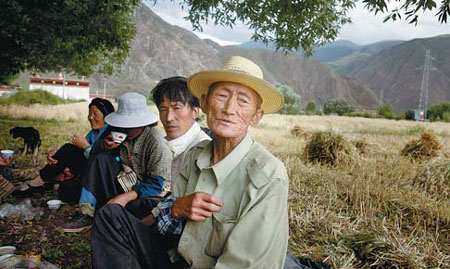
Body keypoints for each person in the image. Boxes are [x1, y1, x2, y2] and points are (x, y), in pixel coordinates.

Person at [92, 56, 289, 268]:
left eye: (243, 101)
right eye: (222, 96)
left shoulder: (268, 175)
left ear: (256, 116)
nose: (229, 109)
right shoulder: (196, 154)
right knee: (110, 216)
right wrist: (177, 209)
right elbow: (168, 216)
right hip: (175, 258)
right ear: (204, 103)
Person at [61, 92, 172, 233]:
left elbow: (157, 184)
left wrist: (126, 197)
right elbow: (96, 159)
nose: (124, 127)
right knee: (100, 159)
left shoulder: (155, 142)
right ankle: (87, 214)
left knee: (141, 207)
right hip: (125, 182)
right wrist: (105, 145)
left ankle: (116, 216)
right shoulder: (119, 133)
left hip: (147, 193)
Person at [14, 98, 114, 201]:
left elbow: (101, 162)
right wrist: (57, 154)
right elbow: (76, 153)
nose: (90, 117)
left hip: (97, 178)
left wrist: (84, 146)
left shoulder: (110, 135)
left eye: (95, 114)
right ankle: (37, 183)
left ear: (107, 116)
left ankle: (52, 183)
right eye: (89, 113)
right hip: (85, 173)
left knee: (67, 191)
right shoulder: (93, 133)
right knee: (68, 150)